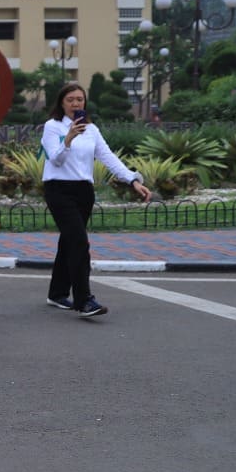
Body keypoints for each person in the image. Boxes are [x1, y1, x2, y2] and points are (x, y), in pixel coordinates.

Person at [41, 83, 153, 318]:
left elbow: (108, 156)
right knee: (79, 243)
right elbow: (56, 159)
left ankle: (57, 292)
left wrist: (132, 180)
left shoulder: (91, 129)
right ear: (61, 103)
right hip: (58, 189)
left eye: (79, 99)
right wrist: (68, 138)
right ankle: (84, 300)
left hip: (84, 191)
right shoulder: (52, 127)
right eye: (70, 99)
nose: (75, 104)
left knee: (70, 241)